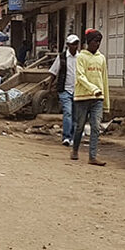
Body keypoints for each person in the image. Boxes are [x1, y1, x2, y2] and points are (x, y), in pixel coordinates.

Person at [71, 30, 109, 167]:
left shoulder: (101, 58)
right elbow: (80, 77)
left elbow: (104, 79)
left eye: (99, 42)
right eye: (95, 41)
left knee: (96, 127)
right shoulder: (81, 57)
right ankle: (75, 149)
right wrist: (93, 89)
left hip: (97, 98)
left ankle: (92, 156)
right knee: (80, 126)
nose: (97, 44)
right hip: (82, 97)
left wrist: (106, 102)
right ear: (88, 42)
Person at [48, 34, 80, 146]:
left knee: (76, 116)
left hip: (78, 91)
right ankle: (66, 137)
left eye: (76, 44)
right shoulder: (61, 57)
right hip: (65, 89)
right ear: (68, 45)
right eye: (72, 44)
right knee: (68, 113)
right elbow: (53, 72)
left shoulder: (80, 58)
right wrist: (50, 87)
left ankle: (73, 137)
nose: (74, 46)